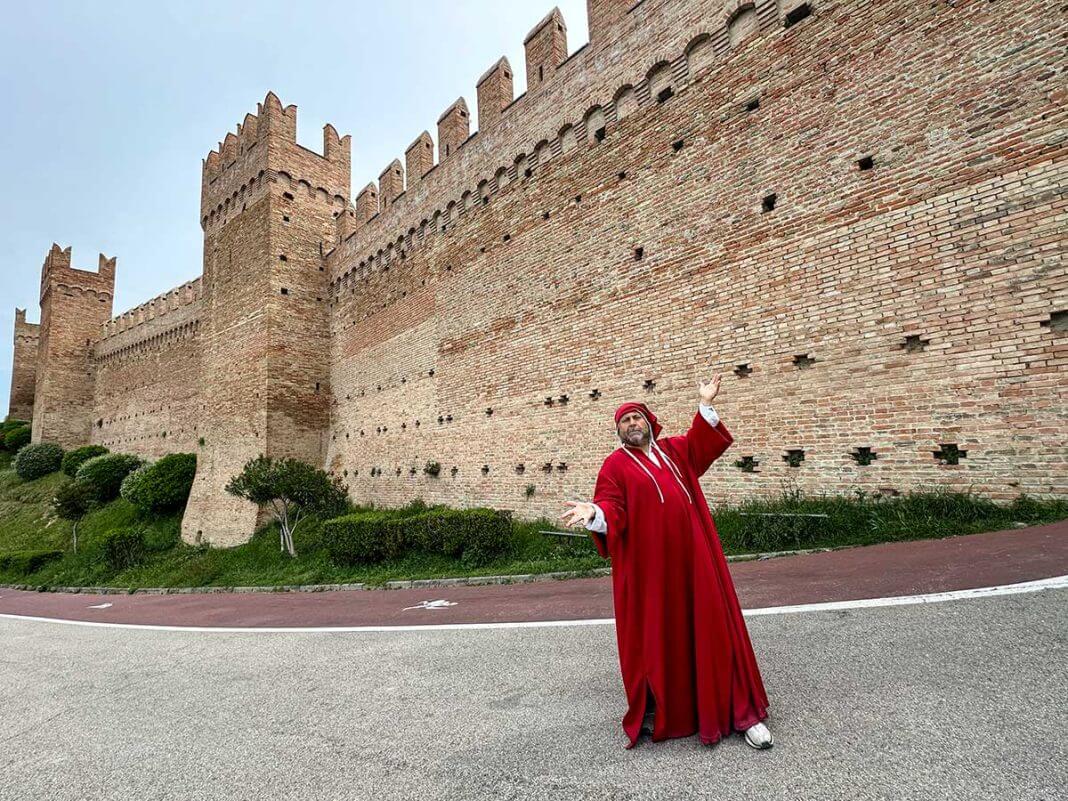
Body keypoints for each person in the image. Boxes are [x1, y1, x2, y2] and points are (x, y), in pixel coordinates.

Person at [560, 374, 772, 750]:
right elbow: (613, 508)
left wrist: (705, 403)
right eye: (624, 422)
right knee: (665, 636)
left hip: (696, 562)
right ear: (619, 432)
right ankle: (676, 709)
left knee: (715, 628)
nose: (632, 425)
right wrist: (593, 512)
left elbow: (704, 444)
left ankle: (743, 714)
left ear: (649, 422)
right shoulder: (614, 467)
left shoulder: (675, 452)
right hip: (653, 573)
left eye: (636, 418)